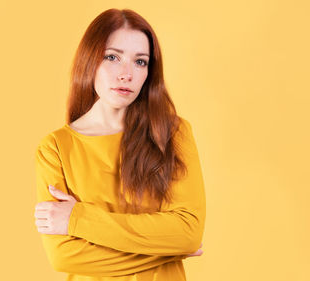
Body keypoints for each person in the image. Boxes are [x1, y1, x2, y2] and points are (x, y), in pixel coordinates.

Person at [34, 8, 206, 281]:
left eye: (140, 62)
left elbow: (188, 231)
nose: (126, 74)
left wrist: (78, 218)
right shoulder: (55, 148)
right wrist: (170, 250)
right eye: (112, 57)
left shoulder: (172, 132)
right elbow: (64, 256)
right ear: (89, 60)